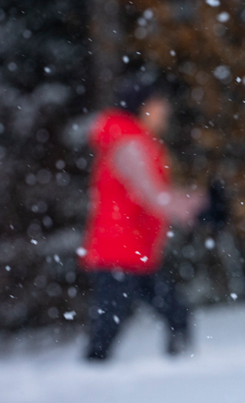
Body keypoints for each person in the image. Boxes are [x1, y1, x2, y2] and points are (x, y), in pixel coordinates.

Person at [80, 78, 205, 361]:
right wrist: (198, 206)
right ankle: (91, 375)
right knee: (110, 325)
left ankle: (180, 366)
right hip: (119, 251)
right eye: (159, 104)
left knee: (174, 312)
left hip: (133, 250)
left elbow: (153, 195)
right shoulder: (129, 144)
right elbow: (151, 194)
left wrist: (193, 204)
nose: (166, 110)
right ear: (143, 107)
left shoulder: (135, 141)